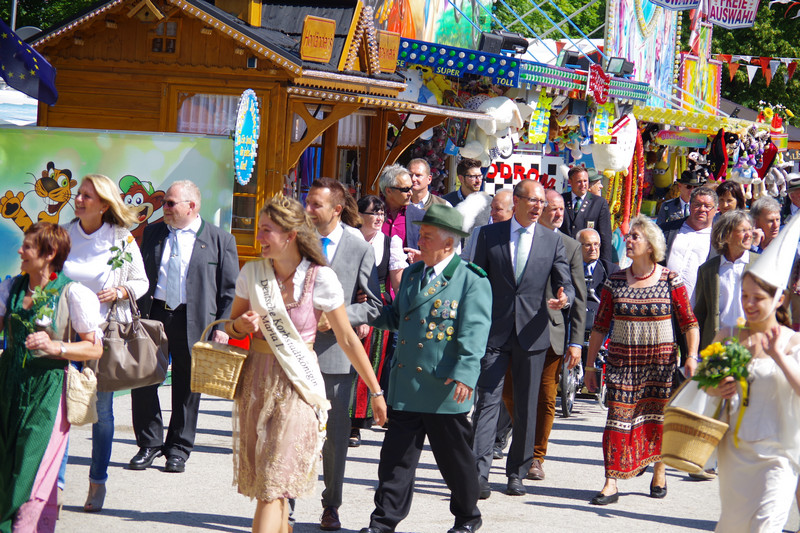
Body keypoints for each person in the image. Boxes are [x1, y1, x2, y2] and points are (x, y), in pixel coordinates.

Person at [227, 194, 387, 533]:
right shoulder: (252, 272)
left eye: (266, 230)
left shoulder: (321, 278)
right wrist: (240, 326)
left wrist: (376, 392)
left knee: (272, 486)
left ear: (290, 236)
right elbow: (231, 325)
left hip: (298, 388)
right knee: (271, 486)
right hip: (257, 384)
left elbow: (347, 339)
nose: (258, 237)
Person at [359, 204, 491, 533]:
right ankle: (382, 523)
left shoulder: (470, 279)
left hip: (444, 387)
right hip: (407, 385)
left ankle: (467, 517)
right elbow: (395, 317)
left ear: (448, 243)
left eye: (428, 236)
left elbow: (474, 334)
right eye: (421, 234)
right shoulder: (413, 275)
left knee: (455, 461)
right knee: (395, 461)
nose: (420, 241)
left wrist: (465, 374)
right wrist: (359, 312)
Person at [585, 216, 699, 505]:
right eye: (629, 236)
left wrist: (691, 356)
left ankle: (659, 470)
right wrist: (589, 366)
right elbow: (599, 326)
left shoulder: (671, 280)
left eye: (635, 236)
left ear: (651, 245)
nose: (629, 240)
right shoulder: (615, 281)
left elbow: (689, 322)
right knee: (616, 421)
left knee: (658, 420)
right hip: (622, 365)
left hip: (660, 367)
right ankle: (610, 482)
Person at [471, 179, 574, 498]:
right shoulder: (489, 235)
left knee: (527, 406)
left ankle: (516, 472)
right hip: (494, 331)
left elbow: (566, 283)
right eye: (533, 201)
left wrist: (564, 299)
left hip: (533, 333)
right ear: (516, 201)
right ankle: (478, 474)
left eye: (542, 202)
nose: (538, 207)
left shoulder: (552, 241)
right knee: (487, 401)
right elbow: (476, 281)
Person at [0, 222, 104, 532]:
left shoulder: (73, 293)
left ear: (49, 254)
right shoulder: (12, 288)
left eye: (28, 247)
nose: (21, 251)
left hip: (47, 390)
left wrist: (56, 346)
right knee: (5, 463)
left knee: (31, 469)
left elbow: (94, 348)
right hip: (8, 385)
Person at [130, 180, 238, 473]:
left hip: (194, 320)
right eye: (164, 202)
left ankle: (178, 448)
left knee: (187, 386)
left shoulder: (220, 240)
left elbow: (230, 290)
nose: (164, 208)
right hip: (155, 316)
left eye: (170, 203)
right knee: (143, 378)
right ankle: (149, 444)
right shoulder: (153, 233)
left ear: (191, 206)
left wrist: (223, 327)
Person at [61, 174, 148, 512]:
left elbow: (141, 281)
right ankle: (55, 483)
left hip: (103, 336)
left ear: (104, 204)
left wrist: (121, 290)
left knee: (102, 412)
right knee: (60, 411)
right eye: (79, 194)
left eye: (87, 196)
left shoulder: (121, 239)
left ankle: (97, 481)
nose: (79, 200)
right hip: (65, 335)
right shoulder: (65, 234)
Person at [305, 178, 382, 531]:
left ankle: (331, 504)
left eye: (315, 205)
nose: (308, 210)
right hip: (295, 351)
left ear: (336, 209)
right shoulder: (296, 237)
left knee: (335, 439)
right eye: (307, 203)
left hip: (336, 354)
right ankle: (284, 498)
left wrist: (339, 316)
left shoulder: (358, 247)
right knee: (292, 429)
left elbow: (374, 305)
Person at [706, 257, 800, 531]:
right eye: (744, 295)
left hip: (778, 453)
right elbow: (705, 383)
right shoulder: (728, 335)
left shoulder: (792, 341)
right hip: (735, 451)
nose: (748, 303)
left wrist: (778, 357)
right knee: (734, 525)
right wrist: (717, 386)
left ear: (779, 299)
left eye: (757, 298)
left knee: (765, 526)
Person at [528, 189, 587, 481]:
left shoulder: (570, 245)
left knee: (546, 396)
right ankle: (517, 440)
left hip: (551, 331)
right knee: (510, 394)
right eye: (552, 208)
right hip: (516, 329)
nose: (558, 213)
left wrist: (576, 342)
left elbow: (579, 296)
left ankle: (536, 456)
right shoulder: (524, 238)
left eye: (562, 208)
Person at [348, 195, 407, 448]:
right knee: (345, 364)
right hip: (347, 303)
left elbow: (397, 280)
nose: (379, 218)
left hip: (377, 306)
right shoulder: (349, 238)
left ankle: (357, 424)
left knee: (370, 364)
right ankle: (336, 416)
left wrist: (404, 309)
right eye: (374, 213)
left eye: (382, 213)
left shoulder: (390, 242)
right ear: (360, 215)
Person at [694, 210, 754, 350]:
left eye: (750, 229)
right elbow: (701, 313)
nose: (749, 235)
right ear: (726, 236)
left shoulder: (761, 263)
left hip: (751, 344)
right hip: (717, 346)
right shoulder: (708, 270)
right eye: (743, 230)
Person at [661, 185, 718, 307]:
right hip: (663, 305)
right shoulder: (667, 230)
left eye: (707, 206)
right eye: (697, 204)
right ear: (690, 206)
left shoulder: (720, 240)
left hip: (696, 308)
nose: (702, 209)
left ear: (716, 210)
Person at [561, 167, 613, 264]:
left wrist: (605, 264)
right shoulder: (561, 200)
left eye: (585, 181)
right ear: (570, 182)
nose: (583, 185)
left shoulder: (599, 203)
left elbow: (605, 236)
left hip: (587, 259)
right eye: (579, 181)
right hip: (564, 257)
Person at [405, 158, 451, 250]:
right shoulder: (400, 205)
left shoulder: (443, 206)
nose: (413, 179)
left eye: (418, 175)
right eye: (410, 175)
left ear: (429, 179)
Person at [578, 228, 618, 332]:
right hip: (574, 320)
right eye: (588, 245)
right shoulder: (569, 268)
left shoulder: (611, 270)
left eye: (596, 244)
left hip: (601, 323)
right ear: (578, 246)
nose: (593, 249)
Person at [461, 189, 512, 262]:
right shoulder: (479, 232)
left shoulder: (519, 237)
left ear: (513, 210)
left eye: (498, 209)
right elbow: (463, 261)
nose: (492, 213)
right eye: (492, 208)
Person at [378, 164, 413, 248]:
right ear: (389, 191)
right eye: (405, 189)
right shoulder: (371, 212)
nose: (411, 193)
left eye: (411, 188)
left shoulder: (417, 216)